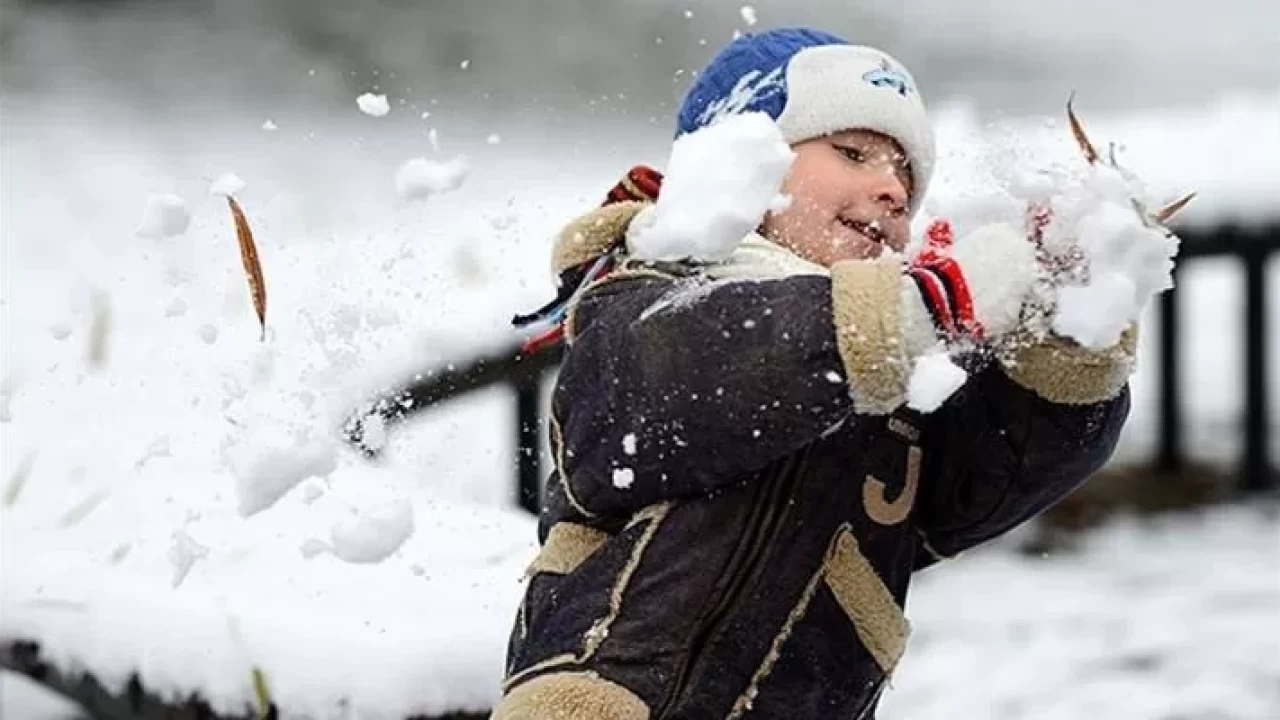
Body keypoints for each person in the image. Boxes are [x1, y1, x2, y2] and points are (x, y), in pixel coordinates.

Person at [493, 27, 1135, 719]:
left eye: (907, 178)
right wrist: (921, 308)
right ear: (740, 164)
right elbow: (716, 370)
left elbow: (997, 472)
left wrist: (1069, 334)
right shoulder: (643, 294)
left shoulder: (894, 374)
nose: (892, 190)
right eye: (853, 153)